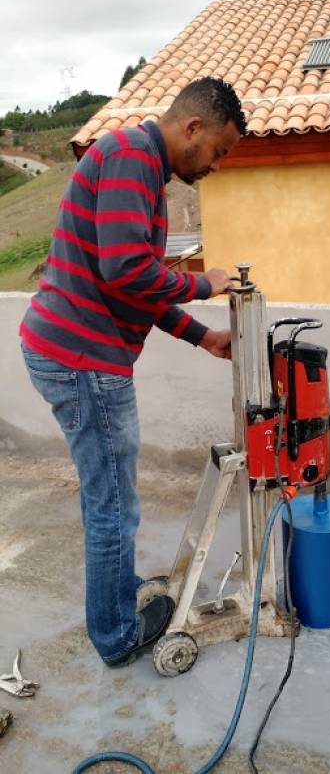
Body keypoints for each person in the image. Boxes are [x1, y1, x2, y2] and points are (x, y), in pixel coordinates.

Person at [20, 77, 247, 666]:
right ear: (192, 128)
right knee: (114, 503)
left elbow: (135, 286)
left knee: (112, 499)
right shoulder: (129, 158)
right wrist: (206, 284)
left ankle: (118, 597)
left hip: (73, 351)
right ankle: (117, 634)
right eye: (219, 151)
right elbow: (126, 269)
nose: (217, 166)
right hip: (82, 360)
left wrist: (204, 338)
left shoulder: (140, 167)